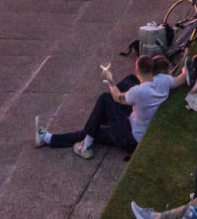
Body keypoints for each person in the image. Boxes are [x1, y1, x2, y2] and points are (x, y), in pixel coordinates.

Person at [35, 54, 173, 158]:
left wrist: (109, 79)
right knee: (94, 129)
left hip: (131, 138)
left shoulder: (139, 92)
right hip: (138, 125)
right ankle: (51, 138)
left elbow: (116, 97)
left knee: (104, 100)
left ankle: (83, 142)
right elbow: (182, 77)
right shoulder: (166, 82)